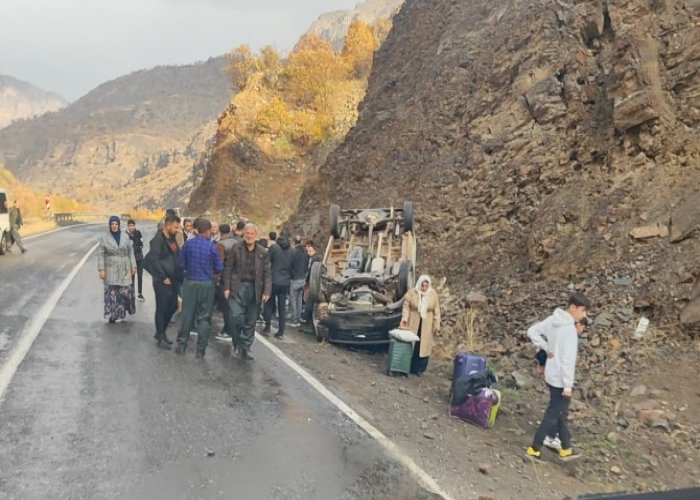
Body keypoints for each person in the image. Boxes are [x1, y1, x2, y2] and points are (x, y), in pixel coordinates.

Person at [526, 292, 591, 463]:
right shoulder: (569, 330)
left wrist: (546, 347)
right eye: (582, 310)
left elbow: (532, 331)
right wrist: (568, 386)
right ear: (572, 307)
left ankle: (566, 449)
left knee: (561, 412)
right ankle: (534, 449)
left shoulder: (552, 320)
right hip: (561, 379)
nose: (583, 315)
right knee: (554, 414)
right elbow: (567, 361)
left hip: (551, 374)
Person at [176, 217, 223, 357]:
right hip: (207, 284)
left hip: (190, 282)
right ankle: (201, 349)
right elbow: (219, 267)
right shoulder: (212, 246)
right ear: (208, 231)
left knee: (187, 314)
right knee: (204, 317)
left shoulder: (188, 245)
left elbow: (181, 264)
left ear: (196, 229)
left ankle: (181, 345)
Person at [223, 223, 271, 360]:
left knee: (252, 319)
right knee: (236, 316)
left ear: (256, 235)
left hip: (255, 288)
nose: (249, 236)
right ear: (243, 234)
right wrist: (226, 287)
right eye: (247, 233)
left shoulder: (263, 252)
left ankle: (246, 347)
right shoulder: (236, 248)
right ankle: (238, 342)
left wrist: (267, 291)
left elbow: (267, 273)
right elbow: (228, 268)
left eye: (252, 234)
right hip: (237, 286)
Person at [143, 214, 183, 349]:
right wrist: (163, 276)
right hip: (162, 280)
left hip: (174, 279)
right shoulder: (158, 240)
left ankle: (161, 331)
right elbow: (154, 260)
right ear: (168, 225)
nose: (177, 230)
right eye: (176, 227)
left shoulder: (173, 239)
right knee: (162, 308)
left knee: (173, 306)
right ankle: (160, 336)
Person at [97, 216, 137, 323]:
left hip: (124, 266)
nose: (114, 226)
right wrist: (101, 269)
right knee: (112, 291)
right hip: (111, 267)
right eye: (112, 224)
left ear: (119, 225)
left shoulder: (125, 236)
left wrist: (133, 266)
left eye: (116, 224)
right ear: (110, 225)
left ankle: (122, 312)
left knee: (124, 291)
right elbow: (100, 254)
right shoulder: (104, 237)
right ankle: (113, 314)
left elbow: (130, 252)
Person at [400, 275, 441, 375]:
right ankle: (408, 367)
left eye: (426, 286)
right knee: (412, 344)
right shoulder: (412, 293)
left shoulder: (433, 294)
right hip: (413, 321)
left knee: (424, 346)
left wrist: (436, 325)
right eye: (422, 286)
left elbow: (437, 311)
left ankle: (420, 369)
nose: (424, 288)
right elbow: (406, 307)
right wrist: (405, 318)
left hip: (427, 323)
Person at [263, 232, 293, 339]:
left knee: (268, 304)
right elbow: (293, 267)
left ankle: (267, 327)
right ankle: (281, 332)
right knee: (282, 308)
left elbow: (267, 262)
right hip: (285, 282)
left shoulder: (274, 248)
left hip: (273, 280)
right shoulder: (292, 251)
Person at [213, 224, 235, 342]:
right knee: (231, 306)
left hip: (224, 279)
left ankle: (228, 331)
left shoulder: (220, 245)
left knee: (225, 307)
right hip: (235, 278)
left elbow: (219, 263)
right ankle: (230, 329)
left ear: (220, 231)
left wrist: (216, 279)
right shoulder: (236, 242)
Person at [301, 241, 322, 331]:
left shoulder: (315, 259)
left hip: (312, 282)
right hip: (313, 281)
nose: (308, 253)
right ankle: (307, 317)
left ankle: (306, 318)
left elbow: (311, 272)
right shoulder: (317, 258)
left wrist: (306, 282)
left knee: (310, 299)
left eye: (309, 251)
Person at [289, 235, 308, 328]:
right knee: (299, 299)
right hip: (303, 278)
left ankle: (294, 319)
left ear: (293, 242)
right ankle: (299, 318)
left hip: (295, 279)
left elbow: (290, 266)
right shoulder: (305, 252)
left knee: (293, 299)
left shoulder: (293, 253)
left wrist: (291, 275)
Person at [125, 219, 145, 301]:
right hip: (130, 259)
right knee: (132, 277)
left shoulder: (138, 233)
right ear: (128, 226)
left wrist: (137, 247)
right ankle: (131, 293)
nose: (132, 227)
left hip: (139, 258)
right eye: (130, 225)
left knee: (140, 276)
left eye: (133, 225)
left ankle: (140, 293)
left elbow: (141, 244)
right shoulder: (125, 235)